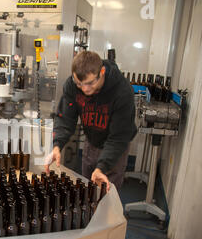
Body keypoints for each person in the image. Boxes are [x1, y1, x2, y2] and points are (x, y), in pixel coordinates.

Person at [45, 51, 137, 191]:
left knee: (106, 195)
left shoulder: (122, 92)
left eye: (90, 83)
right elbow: (65, 119)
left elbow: (118, 138)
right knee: (87, 191)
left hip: (115, 148)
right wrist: (57, 145)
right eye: (79, 83)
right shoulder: (71, 85)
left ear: (102, 71)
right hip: (91, 141)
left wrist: (102, 167)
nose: (85, 89)